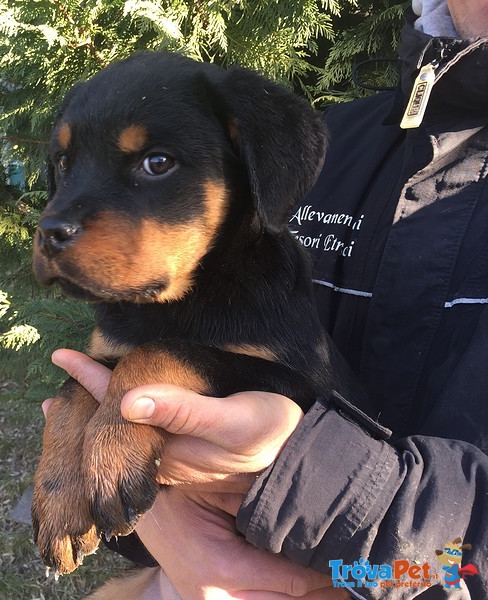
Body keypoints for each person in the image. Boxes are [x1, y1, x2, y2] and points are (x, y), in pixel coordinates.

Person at [47, 0, 488, 597]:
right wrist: (161, 524)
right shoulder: (344, 147)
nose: (60, 214)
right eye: (66, 166)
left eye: (155, 162)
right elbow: (118, 468)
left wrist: (317, 563)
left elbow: (455, 568)